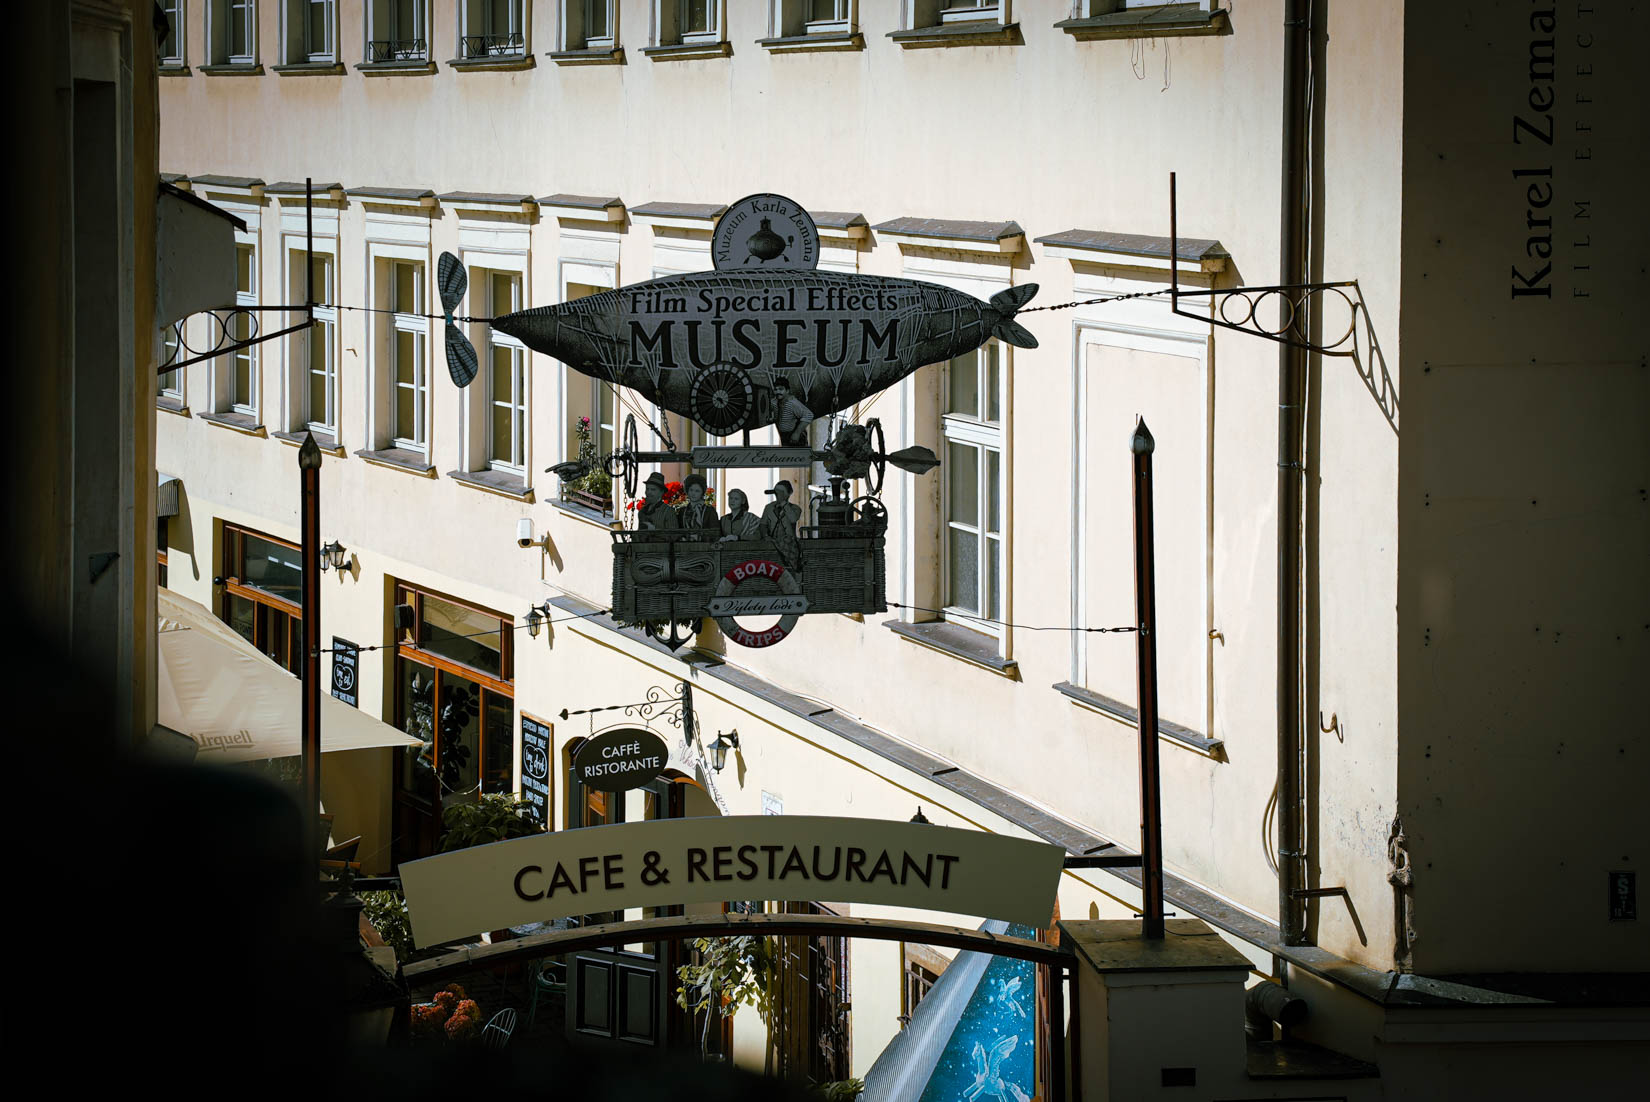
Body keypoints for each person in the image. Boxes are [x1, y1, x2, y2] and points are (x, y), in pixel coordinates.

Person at [760, 480, 803, 569]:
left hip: (789, 543)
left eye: (781, 492)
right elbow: (763, 524)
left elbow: (793, 519)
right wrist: (765, 536)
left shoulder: (795, 508)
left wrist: (784, 503)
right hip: (772, 543)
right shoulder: (769, 508)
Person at [771, 377, 814, 448]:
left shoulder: (792, 403)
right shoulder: (774, 402)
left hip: (795, 438)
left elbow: (809, 415)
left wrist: (797, 433)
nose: (778, 392)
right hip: (783, 436)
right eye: (775, 389)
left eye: (781, 389)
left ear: (787, 391)